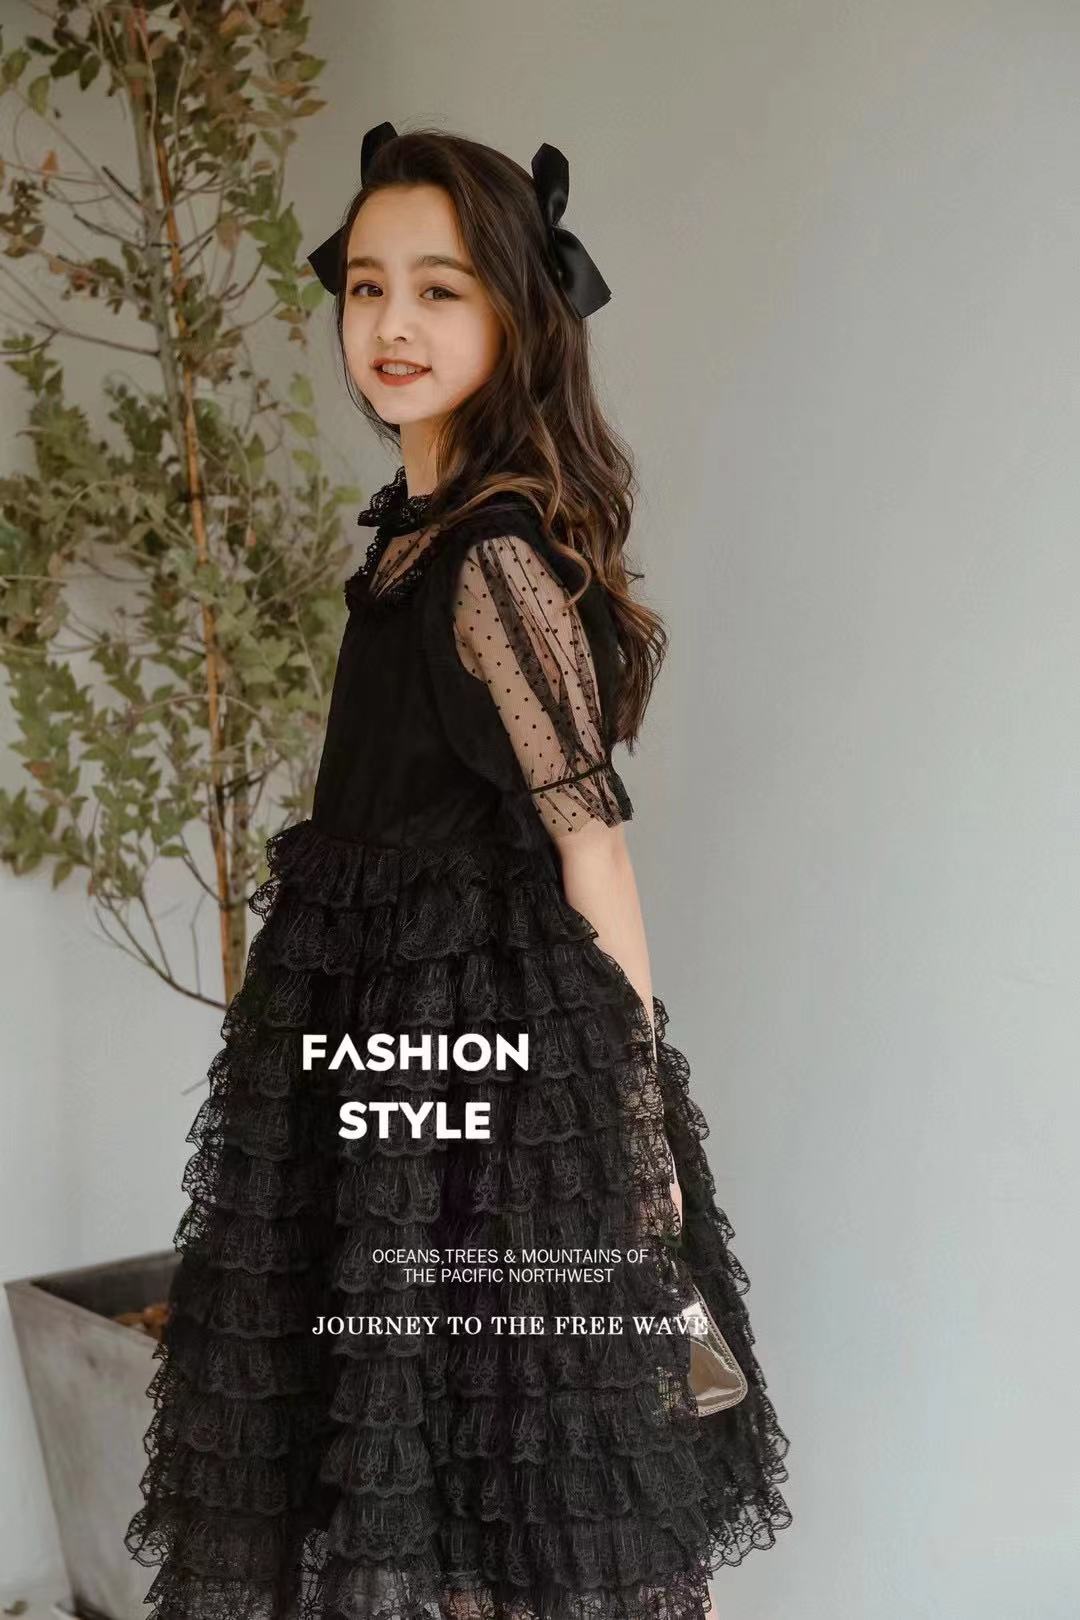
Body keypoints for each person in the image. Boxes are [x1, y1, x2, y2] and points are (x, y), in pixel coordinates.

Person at [125, 123, 792, 1620]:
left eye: (439, 288)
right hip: (382, 1044)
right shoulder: (413, 542)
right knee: (412, 1446)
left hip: (485, 1064)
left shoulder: (491, 555)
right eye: (367, 286)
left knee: (495, 1457)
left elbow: (589, 835)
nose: (392, 322)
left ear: (513, 312)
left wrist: (629, 1117)